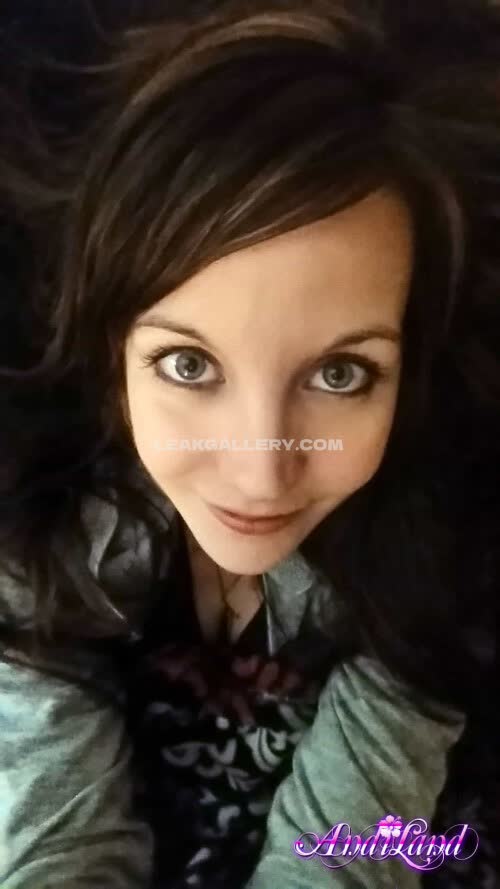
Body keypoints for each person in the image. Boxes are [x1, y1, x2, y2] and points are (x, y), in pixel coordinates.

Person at [0, 0, 498, 887]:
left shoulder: (436, 547)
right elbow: (54, 838)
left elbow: (346, 854)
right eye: (189, 364)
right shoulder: (40, 518)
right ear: (112, 354)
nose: (260, 472)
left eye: (340, 373)